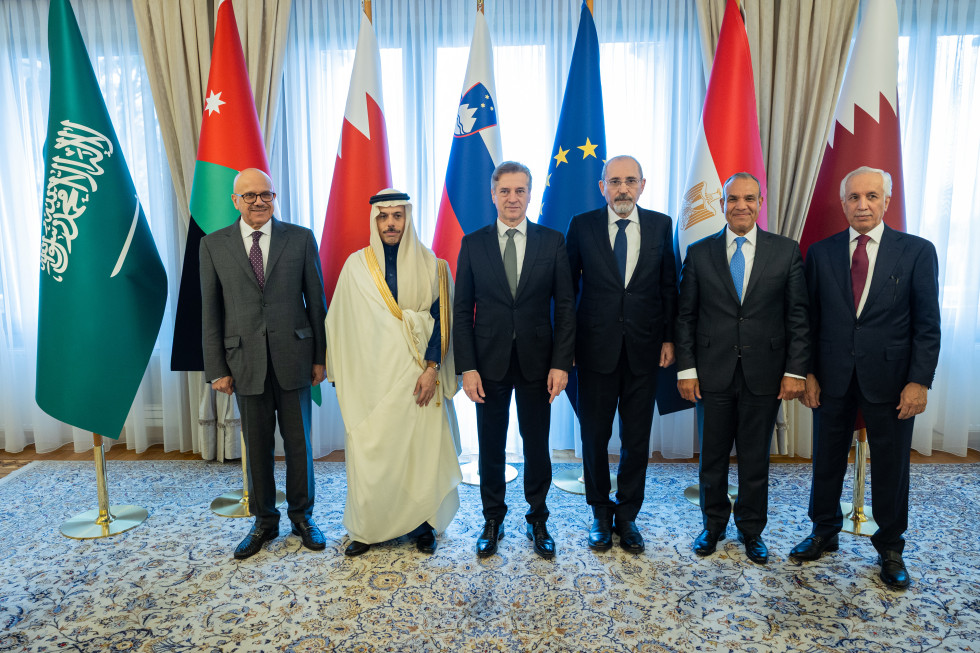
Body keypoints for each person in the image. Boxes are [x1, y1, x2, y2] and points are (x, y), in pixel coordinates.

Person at [792, 166, 940, 589]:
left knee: (891, 466)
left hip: (892, 381)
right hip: (831, 376)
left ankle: (890, 546)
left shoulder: (917, 251)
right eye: (854, 197)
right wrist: (808, 372)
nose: (862, 205)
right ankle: (824, 530)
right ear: (843, 204)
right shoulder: (820, 253)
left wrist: (919, 382)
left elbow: (927, 325)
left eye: (872, 196)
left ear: (886, 201)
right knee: (826, 458)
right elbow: (809, 319)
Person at [675, 172, 808, 565]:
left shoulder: (786, 252)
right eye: (733, 199)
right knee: (712, 457)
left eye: (749, 198)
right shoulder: (699, 252)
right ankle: (712, 524)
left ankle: (751, 530)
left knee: (755, 459)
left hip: (764, 373)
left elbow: (798, 316)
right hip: (711, 373)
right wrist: (687, 370)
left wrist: (795, 371)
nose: (741, 206)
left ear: (760, 203)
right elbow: (685, 317)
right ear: (722, 204)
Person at [325, 188, 463, 557]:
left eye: (397, 216)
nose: (390, 223)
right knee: (372, 453)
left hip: (418, 378)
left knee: (420, 455)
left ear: (407, 218)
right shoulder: (356, 266)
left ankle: (422, 525)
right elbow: (339, 324)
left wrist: (432, 369)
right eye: (383, 216)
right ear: (374, 220)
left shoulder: (432, 265)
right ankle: (368, 528)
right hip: (371, 382)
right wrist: (344, 376)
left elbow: (443, 323)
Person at [200, 168, 328, 559]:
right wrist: (217, 368)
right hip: (244, 363)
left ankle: (302, 517)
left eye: (266, 194)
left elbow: (316, 302)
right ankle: (264, 522)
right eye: (250, 195)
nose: (259, 202)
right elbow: (210, 311)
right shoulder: (213, 245)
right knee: (256, 448)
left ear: (275, 197)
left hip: (295, 359)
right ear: (235, 201)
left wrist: (321, 358)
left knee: (299, 445)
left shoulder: (301, 238)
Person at [453, 161, 576, 560]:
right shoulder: (473, 244)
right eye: (504, 191)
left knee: (537, 444)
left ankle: (538, 518)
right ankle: (493, 519)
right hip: (487, 364)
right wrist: (467, 367)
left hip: (539, 363)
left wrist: (561, 363)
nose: (512, 198)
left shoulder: (551, 241)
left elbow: (566, 307)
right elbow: (461, 310)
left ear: (529, 194)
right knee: (490, 445)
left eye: (520, 190)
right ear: (493, 195)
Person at [565, 155, 678, 553]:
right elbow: (567, 290)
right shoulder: (582, 226)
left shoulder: (662, 225)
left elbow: (668, 287)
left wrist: (669, 338)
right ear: (603, 187)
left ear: (642, 185)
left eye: (630, 180)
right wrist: (568, 346)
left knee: (636, 438)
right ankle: (599, 512)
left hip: (644, 350)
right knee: (594, 436)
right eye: (615, 181)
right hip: (594, 350)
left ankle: (628, 514)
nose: (623, 188)